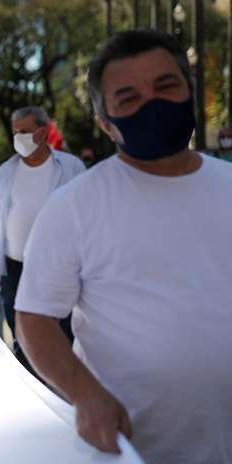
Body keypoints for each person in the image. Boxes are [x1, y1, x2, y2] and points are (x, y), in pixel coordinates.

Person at [15, 31, 232, 463]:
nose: (153, 104)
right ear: (105, 122)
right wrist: (85, 394)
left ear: (190, 91)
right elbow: (34, 318)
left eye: (166, 86)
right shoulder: (74, 207)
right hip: (132, 447)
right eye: (129, 98)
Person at [0, 106, 85, 371]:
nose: (18, 138)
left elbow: (89, 216)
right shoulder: (6, 172)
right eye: (15, 132)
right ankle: (30, 384)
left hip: (59, 267)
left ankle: (65, 386)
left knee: (63, 330)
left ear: (42, 132)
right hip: (14, 268)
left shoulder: (71, 168)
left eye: (24, 131)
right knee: (21, 334)